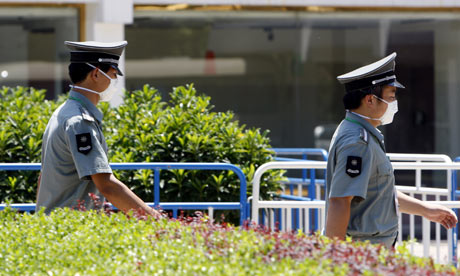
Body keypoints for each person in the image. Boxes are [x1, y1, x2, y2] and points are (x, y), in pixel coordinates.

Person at [325, 52, 457, 247]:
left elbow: (378, 192)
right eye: (391, 96)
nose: (394, 104)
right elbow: (340, 201)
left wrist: (425, 209)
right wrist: (334, 257)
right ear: (370, 100)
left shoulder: (364, 134)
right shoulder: (357, 142)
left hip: (373, 251)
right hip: (364, 255)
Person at [36, 41, 160, 218]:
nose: (115, 81)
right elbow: (107, 185)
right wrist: (156, 219)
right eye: (113, 74)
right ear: (95, 73)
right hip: (70, 229)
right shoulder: (79, 121)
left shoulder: (62, 113)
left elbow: (44, 178)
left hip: (56, 225)